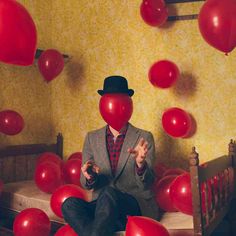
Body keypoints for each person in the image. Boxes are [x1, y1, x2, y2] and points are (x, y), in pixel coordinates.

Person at [62, 75, 159, 236]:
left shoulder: (143, 137)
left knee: (108, 193)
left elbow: (147, 183)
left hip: (133, 202)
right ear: (104, 104)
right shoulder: (92, 138)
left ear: (127, 104)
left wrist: (140, 164)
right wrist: (89, 176)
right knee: (69, 204)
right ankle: (106, 227)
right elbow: (85, 183)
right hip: (103, 206)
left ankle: (103, 226)